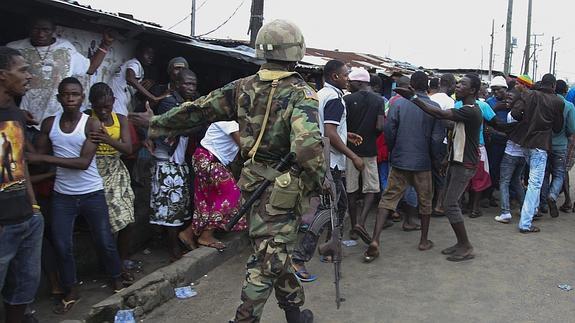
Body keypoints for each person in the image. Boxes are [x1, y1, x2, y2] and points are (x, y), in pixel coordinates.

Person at [130, 19, 323, 323]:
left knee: (272, 252)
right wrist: (315, 184)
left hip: (252, 182)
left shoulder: (243, 87)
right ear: (297, 50)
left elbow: (199, 109)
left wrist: (156, 123)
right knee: (266, 260)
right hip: (284, 190)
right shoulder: (302, 93)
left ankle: (295, 314)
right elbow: (309, 148)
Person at [27, 77, 124, 314]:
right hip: (63, 195)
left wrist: (44, 159)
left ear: (82, 98)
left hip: (92, 192)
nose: (70, 99)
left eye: (75, 95)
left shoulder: (91, 124)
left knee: (104, 239)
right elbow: (36, 157)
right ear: (59, 98)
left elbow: (82, 162)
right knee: (62, 244)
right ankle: (71, 289)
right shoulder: (50, 124)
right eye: (66, 95)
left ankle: (117, 277)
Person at [395, 73, 484, 262]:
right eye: (458, 84)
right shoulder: (467, 109)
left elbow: (440, 114)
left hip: (464, 165)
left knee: (450, 204)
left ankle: (466, 245)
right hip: (457, 161)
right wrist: (447, 158)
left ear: (473, 90)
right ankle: (461, 243)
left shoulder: (471, 111)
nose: (458, 87)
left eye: (463, 85)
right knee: (449, 203)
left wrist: (413, 99)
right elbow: (455, 131)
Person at [362, 71, 444, 262]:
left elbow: (389, 131)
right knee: (425, 201)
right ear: (429, 87)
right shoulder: (433, 106)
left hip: (400, 160)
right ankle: (423, 240)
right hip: (423, 162)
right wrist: (435, 160)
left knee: (388, 199)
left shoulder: (398, 104)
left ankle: (375, 239)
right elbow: (437, 138)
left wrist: (393, 150)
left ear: (411, 86)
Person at [292, 60, 361, 281]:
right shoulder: (334, 99)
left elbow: (325, 127)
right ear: (334, 77)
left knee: (339, 207)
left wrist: (346, 134)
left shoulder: (320, 95)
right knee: (325, 210)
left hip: (325, 159)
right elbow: (330, 132)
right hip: (330, 163)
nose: (348, 79)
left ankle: (331, 247)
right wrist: (353, 156)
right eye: (345, 75)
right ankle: (299, 258)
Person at [0, 46, 43, 323]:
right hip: (2, 224)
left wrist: (34, 206)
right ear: (3, 75)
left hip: (26, 218)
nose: (29, 76)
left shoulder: (14, 114)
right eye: (23, 70)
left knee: (23, 288)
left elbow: (17, 163)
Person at [7, 17, 113, 126]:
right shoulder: (14, 49)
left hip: (57, 122)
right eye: (36, 29)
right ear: (28, 28)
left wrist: (105, 45)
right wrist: (16, 111)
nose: (41, 34)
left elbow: (90, 68)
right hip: (25, 118)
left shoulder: (66, 49)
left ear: (53, 30)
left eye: (46, 30)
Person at [86, 82, 136, 277]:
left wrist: (107, 139)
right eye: (99, 108)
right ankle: (109, 265)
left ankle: (121, 262)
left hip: (116, 171)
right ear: (92, 105)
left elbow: (128, 148)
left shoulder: (120, 119)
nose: (104, 111)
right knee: (105, 224)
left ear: (114, 102)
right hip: (93, 172)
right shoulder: (86, 119)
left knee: (128, 220)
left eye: (107, 106)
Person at [148, 69, 198, 261]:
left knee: (176, 207)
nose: (191, 88)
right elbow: (181, 126)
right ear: (176, 84)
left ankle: (172, 246)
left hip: (176, 162)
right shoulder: (170, 102)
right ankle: (173, 251)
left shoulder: (186, 103)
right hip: (166, 162)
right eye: (187, 84)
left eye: (193, 84)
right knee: (170, 208)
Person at [177, 120, 247, 251]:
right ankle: (206, 236)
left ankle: (188, 233)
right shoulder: (231, 123)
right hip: (210, 160)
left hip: (203, 158)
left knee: (208, 202)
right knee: (232, 195)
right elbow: (245, 147)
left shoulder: (227, 122)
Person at [508, 73, 564, 233]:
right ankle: (525, 223)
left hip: (525, 143)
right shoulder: (558, 101)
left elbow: (515, 114)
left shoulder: (529, 94)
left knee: (530, 181)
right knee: (535, 184)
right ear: (553, 86)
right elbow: (558, 128)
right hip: (541, 145)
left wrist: (528, 119)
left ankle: (531, 212)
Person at [344, 67, 387, 240]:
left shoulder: (346, 99)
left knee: (351, 190)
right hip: (369, 150)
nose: (348, 84)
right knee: (371, 188)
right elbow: (380, 127)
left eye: (350, 82)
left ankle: (354, 227)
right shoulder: (378, 101)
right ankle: (361, 222)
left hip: (350, 151)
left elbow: (342, 126)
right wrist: (370, 137)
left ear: (360, 82)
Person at [539, 80, 575, 218]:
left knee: (544, 174)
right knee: (559, 174)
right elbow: (571, 128)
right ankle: (553, 195)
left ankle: (542, 204)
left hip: (544, 143)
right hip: (560, 146)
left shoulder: (544, 101)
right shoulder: (569, 106)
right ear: (565, 91)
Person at [494, 89, 526, 224]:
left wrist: (494, 130)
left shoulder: (511, 115)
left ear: (517, 101)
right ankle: (526, 208)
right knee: (517, 182)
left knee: (504, 182)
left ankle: (505, 212)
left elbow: (508, 133)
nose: (507, 101)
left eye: (510, 99)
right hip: (523, 155)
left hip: (511, 153)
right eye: (506, 98)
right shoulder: (526, 116)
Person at [109, 43, 163, 116]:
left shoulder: (134, 64)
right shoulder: (135, 63)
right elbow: (130, 78)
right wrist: (152, 97)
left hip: (115, 100)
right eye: (148, 53)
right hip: (117, 101)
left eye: (152, 54)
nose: (151, 56)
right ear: (138, 53)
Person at [429, 73, 456, 216]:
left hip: (427, 140)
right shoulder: (449, 101)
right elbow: (449, 122)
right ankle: (438, 205)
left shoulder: (431, 98)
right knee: (441, 173)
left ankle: (429, 204)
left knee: (430, 173)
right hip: (440, 141)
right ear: (451, 85)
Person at [484, 76, 510, 207]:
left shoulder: (512, 101)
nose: (495, 93)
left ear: (505, 89)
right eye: (493, 90)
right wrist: (497, 108)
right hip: (494, 140)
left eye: (498, 90)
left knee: (506, 170)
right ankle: (489, 195)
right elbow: (486, 120)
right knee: (493, 168)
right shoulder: (490, 102)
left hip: (509, 140)